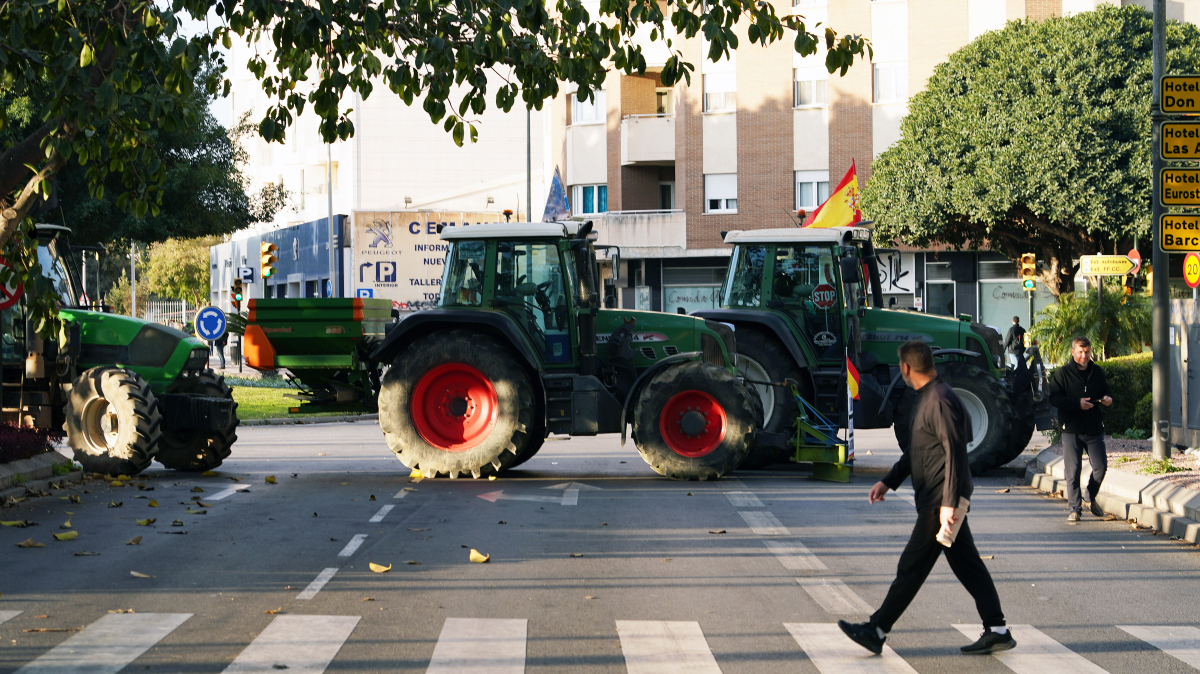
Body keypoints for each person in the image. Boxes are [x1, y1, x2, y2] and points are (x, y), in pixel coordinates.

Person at [839, 340, 1014, 656]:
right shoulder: (929, 397)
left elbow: (955, 455)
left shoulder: (941, 401)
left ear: (906, 368)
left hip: (940, 502)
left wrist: (950, 502)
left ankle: (876, 630)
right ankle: (997, 629)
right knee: (968, 566)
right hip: (940, 499)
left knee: (911, 567)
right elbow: (917, 451)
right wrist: (888, 482)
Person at [1047, 336, 1112, 522]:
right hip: (1071, 429)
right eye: (1081, 352)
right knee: (1072, 471)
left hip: (1093, 428)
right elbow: (1054, 398)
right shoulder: (1063, 373)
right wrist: (1077, 404)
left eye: (1087, 352)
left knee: (1100, 467)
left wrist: (1107, 398)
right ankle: (1074, 509)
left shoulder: (1097, 372)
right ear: (1073, 352)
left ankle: (1090, 497)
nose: (1084, 355)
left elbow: (1106, 391)